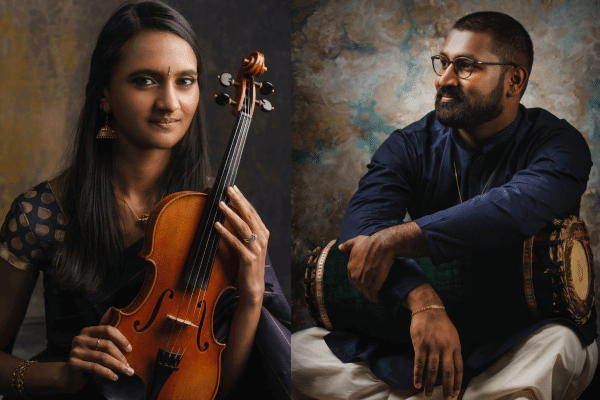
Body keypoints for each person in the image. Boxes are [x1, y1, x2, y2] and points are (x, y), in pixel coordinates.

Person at [292, 11, 597, 400]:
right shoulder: (408, 144)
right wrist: (421, 301)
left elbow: (515, 206)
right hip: (423, 328)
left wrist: (394, 240)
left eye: (466, 66)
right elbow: (363, 228)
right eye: (444, 62)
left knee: (560, 347)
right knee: (296, 353)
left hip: (520, 329)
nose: (444, 79)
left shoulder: (560, 144)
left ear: (514, 80)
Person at [0, 1, 290, 399]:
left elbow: (220, 383)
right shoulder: (41, 214)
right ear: (104, 96)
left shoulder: (215, 211)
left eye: (185, 81)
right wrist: (61, 375)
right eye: (145, 81)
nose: (170, 103)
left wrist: (253, 292)